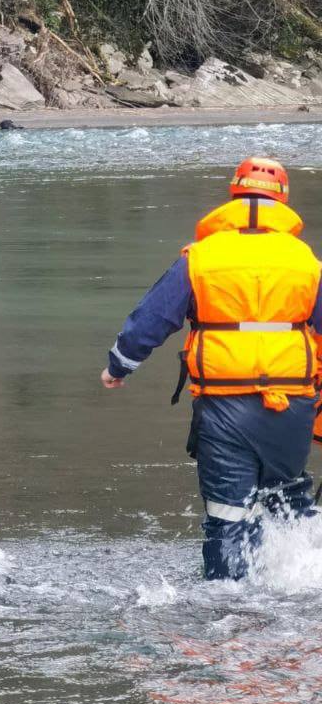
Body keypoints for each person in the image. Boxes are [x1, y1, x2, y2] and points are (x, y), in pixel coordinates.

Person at [101, 157, 322, 580]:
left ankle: (225, 606)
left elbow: (153, 318)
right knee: (285, 503)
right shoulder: (306, 263)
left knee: (227, 514)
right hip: (292, 406)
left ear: (234, 194)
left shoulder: (200, 258)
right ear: (283, 199)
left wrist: (118, 367)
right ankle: (294, 587)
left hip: (224, 407)